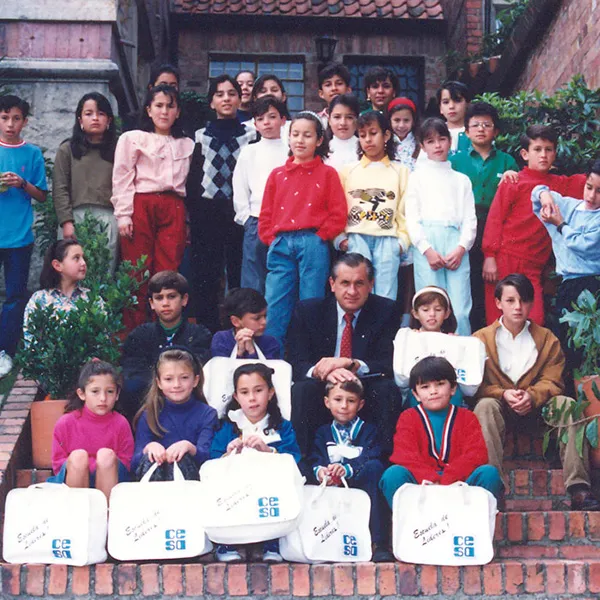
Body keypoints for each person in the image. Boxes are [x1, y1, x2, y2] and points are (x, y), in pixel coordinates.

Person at [473, 274, 600, 510]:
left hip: (540, 412)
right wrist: (502, 394)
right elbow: (474, 385)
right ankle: (491, 492)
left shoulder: (546, 339)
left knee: (566, 404)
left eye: (523, 300)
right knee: (484, 406)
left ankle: (579, 488)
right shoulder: (480, 339)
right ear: (498, 303)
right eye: (510, 300)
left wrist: (532, 395)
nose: (518, 307)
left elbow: (554, 380)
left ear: (531, 303)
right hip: (500, 411)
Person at [287, 253, 402, 456]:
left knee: (387, 390)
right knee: (302, 391)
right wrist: (322, 371)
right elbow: (295, 361)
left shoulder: (386, 310)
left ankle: (382, 465)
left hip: (363, 382)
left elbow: (387, 362)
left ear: (371, 284)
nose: (352, 291)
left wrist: (353, 364)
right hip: (323, 384)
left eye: (359, 283)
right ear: (332, 284)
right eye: (345, 283)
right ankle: (302, 464)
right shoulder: (309, 310)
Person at [482, 125, 586, 326]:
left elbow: (588, 181)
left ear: (555, 153)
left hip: (533, 265)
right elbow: (495, 219)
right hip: (505, 258)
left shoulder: (561, 184)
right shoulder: (513, 180)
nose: (543, 155)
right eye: (537, 149)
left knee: (534, 320)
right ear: (525, 153)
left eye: (549, 149)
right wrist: (489, 256)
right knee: (498, 321)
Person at [258, 111, 347, 346]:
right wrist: (270, 238)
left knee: (312, 300)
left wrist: (320, 237)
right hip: (281, 242)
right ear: (288, 138)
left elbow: (338, 213)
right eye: (295, 134)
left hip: (313, 242)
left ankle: (309, 356)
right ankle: (272, 355)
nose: (300, 140)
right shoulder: (277, 175)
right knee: (276, 299)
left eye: (307, 135)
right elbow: (266, 213)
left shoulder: (328, 174)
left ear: (319, 141)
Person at [111, 84, 194, 330]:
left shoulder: (186, 144)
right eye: (158, 105)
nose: (164, 112)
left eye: (170, 106)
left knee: (168, 270)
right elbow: (122, 176)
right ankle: (134, 333)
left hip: (173, 206)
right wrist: (124, 214)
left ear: (178, 111)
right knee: (137, 271)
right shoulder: (133, 138)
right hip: (141, 204)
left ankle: (165, 332)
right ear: (148, 110)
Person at [379, 356, 504, 508]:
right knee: (393, 475)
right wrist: (431, 478)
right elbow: (404, 455)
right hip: (421, 483)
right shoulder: (408, 417)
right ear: (416, 394)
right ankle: (412, 527)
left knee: (488, 473)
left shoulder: (467, 417)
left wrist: (447, 479)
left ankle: (476, 528)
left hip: (460, 483)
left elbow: (476, 454)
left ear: (453, 388)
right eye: (425, 387)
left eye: (440, 384)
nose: (433, 391)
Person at [210, 363, 302, 563]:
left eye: (258, 390)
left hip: (268, 490)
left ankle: (272, 542)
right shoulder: (229, 426)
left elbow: (294, 458)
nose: (252, 398)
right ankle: (228, 542)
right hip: (236, 490)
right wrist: (228, 454)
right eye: (244, 392)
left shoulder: (282, 427)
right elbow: (212, 461)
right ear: (236, 397)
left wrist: (268, 451)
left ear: (270, 393)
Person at [186, 74, 257, 333]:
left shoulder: (251, 135)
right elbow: (193, 179)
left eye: (231, 93)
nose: (226, 98)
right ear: (212, 102)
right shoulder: (200, 136)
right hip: (207, 212)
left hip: (239, 212)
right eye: (220, 94)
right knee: (207, 273)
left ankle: (239, 330)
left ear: (240, 98)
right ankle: (208, 331)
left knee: (239, 272)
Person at [449, 101, 519, 331]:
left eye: (487, 125)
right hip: (462, 229)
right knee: (466, 285)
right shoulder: (455, 161)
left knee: (491, 284)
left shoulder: (507, 161)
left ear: (496, 131)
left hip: (495, 229)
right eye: (475, 125)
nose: (481, 129)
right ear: (466, 131)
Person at [405, 117, 477, 335]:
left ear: (449, 142)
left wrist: (461, 248)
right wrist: (426, 250)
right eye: (430, 141)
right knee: (430, 306)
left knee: (460, 308)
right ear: (422, 146)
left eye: (442, 139)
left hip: (455, 242)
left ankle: (462, 358)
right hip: (428, 244)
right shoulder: (416, 178)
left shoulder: (461, 180)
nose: (437, 145)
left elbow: (470, 219)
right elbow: (412, 217)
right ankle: (431, 361)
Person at [309, 379, 392, 562]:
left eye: (351, 400)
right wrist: (321, 471)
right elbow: (316, 457)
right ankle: (326, 545)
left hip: (360, 482)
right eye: (338, 399)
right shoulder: (323, 432)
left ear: (360, 404)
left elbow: (373, 455)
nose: (344, 406)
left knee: (375, 467)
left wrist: (347, 469)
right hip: (331, 486)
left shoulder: (368, 430)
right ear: (327, 402)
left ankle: (379, 543)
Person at [532, 160, 600, 379]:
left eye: (599, 192)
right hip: (567, 284)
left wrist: (560, 224)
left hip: (593, 285)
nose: (591, 196)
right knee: (567, 344)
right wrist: (545, 196)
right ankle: (572, 400)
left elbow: (583, 245)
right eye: (589, 187)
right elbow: (536, 192)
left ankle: (591, 399)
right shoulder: (571, 205)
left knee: (590, 347)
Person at [337, 111, 409, 300]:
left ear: (386, 135)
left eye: (373, 133)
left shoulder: (401, 171)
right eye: (362, 135)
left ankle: (384, 331)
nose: (368, 139)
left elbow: (405, 211)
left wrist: (401, 242)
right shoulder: (348, 171)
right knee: (357, 293)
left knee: (386, 296)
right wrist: (341, 239)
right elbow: (338, 207)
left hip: (387, 239)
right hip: (356, 237)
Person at [120, 271, 212, 421]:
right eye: (159, 298)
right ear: (151, 303)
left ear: (184, 300)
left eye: (171, 296)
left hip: (187, 400)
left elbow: (200, 370)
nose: (165, 303)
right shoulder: (140, 334)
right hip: (148, 402)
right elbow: (132, 370)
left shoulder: (199, 334)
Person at [0, 94, 48, 371]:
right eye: (5, 118)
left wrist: (21, 183)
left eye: (16, 118)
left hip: (19, 238)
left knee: (15, 297)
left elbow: (41, 195)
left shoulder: (32, 154)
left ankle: (5, 351)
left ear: (25, 121)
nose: (10, 124)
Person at [49, 360, 134, 502]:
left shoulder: (121, 423)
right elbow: (58, 464)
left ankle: (106, 517)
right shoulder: (66, 423)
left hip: (111, 479)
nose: (103, 398)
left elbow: (126, 462)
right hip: (74, 479)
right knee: (78, 457)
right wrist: (87, 467)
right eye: (95, 391)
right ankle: (78, 516)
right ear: (82, 394)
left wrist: (100, 467)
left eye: (110, 392)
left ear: (117, 394)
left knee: (106, 455)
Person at [52, 92, 119, 272]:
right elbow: (60, 188)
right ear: (80, 119)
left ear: (109, 120)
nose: (95, 118)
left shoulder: (119, 149)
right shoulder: (67, 149)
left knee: (104, 273)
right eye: (89, 114)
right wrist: (66, 222)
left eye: (101, 114)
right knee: (71, 273)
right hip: (75, 218)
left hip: (109, 219)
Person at [132, 347, 218, 481]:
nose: (176, 385)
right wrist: (149, 448)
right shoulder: (150, 414)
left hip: (192, 484)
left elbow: (208, 457)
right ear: (159, 382)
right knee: (151, 459)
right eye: (168, 379)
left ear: (195, 380)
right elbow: (134, 462)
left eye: (184, 378)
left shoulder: (207, 414)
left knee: (181, 458)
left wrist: (189, 447)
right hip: (155, 484)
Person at [393, 286, 485, 407]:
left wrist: (457, 347)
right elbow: (402, 380)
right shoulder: (407, 337)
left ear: (447, 313)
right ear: (415, 313)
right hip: (418, 395)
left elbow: (469, 387)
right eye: (425, 310)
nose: (432, 314)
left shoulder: (455, 340)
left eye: (438, 309)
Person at [232, 96, 288, 294]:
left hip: (284, 223)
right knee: (253, 277)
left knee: (281, 276)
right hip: (255, 220)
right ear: (254, 124)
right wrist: (245, 218)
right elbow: (240, 187)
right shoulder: (249, 151)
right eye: (261, 118)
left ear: (283, 120)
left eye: (272, 117)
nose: (267, 122)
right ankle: (251, 321)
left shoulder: (291, 150)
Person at [23, 239, 91, 344]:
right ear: (57, 265)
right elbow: (32, 341)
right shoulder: (39, 299)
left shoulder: (91, 298)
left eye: (83, 258)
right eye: (76, 258)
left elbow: (102, 339)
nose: (83, 263)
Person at [211, 287, 280, 359]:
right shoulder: (221, 339)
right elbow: (221, 368)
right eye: (257, 318)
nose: (264, 322)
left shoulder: (270, 343)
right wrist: (239, 352)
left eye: (265, 316)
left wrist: (252, 351)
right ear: (236, 321)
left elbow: (269, 369)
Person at [325, 94, 359, 170]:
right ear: (329, 120)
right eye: (337, 117)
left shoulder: (365, 149)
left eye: (349, 117)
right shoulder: (322, 150)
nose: (343, 123)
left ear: (357, 120)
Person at [436, 81, 471, 154]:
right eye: (446, 102)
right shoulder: (434, 132)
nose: (451, 106)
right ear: (440, 108)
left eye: (457, 101)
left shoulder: (476, 131)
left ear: (467, 104)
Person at [388, 97, 421, 171]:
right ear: (389, 120)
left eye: (406, 120)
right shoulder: (385, 143)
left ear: (413, 121)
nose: (401, 125)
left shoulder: (420, 143)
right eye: (397, 120)